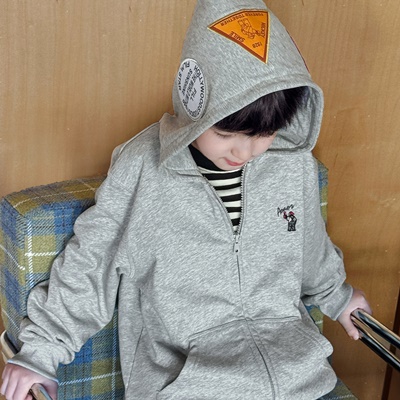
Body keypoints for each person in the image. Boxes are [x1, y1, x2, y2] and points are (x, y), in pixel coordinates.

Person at [1, 0, 371, 399]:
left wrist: (338, 295)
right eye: (226, 134)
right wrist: (41, 352)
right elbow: (93, 262)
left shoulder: (292, 163)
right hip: (187, 385)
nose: (244, 152)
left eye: (263, 135)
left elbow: (309, 246)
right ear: (194, 107)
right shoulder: (141, 169)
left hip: (298, 378)